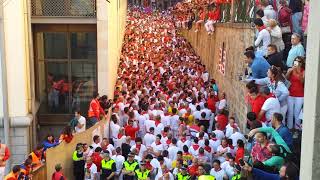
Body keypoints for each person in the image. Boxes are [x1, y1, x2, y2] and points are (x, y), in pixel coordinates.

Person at [286, 56, 305, 130]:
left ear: (301, 63)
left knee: (297, 113)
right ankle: (289, 127)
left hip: (299, 95)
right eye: (295, 61)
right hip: (290, 94)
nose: (297, 62)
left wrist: (297, 71)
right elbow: (286, 79)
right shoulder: (291, 69)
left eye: (299, 61)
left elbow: (302, 82)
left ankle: (297, 128)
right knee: (290, 112)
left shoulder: (303, 71)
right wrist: (289, 72)